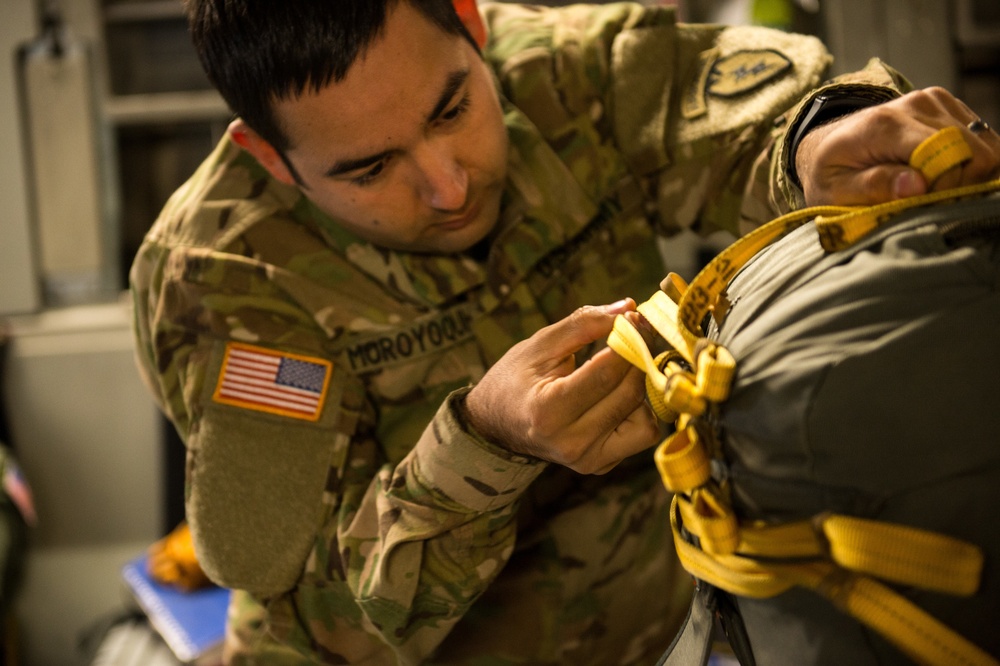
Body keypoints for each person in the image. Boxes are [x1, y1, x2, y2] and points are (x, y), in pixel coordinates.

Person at [128, 1, 1000, 663]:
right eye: (370, 168)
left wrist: (820, 144)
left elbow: (760, 119)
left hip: (674, 619)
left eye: (450, 111)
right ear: (269, 157)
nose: (448, 187)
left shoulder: (563, 72)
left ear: (470, 22)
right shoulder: (224, 277)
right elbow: (315, 618)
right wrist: (482, 445)